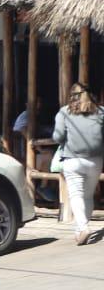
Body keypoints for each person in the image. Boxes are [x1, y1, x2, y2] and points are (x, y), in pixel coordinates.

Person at [53, 82, 104, 245]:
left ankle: (83, 227)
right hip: (95, 160)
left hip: (73, 159)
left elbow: (57, 137)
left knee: (76, 195)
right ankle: (80, 228)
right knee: (87, 195)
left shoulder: (64, 112)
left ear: (72, 96)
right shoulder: (101, 112)